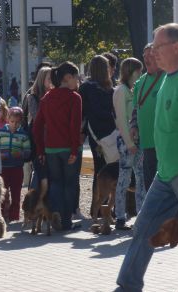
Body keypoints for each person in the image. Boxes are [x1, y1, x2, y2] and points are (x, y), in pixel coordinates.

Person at [94, 23, 178, 292]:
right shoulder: (167, 76)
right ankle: (127, 291)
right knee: (143, 228)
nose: (152, 52)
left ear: (176, 48)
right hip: (166, 173)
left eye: (158, 46)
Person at [33, 61, 82, 231]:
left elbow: (37, 126)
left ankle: (55, 216)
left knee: (55, 183)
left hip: (50, 149)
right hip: (68, 148)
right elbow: (74, 126)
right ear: (67, 78)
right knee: (69, 184)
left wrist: (40, 149)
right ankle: (67, 222)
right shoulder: (75, 98)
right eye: (77, 78)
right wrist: (75, 149)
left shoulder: (46, 98)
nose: (78, 81)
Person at [79, 55, 116, 217]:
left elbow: (83, 113)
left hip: (95, 136)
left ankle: (97, 209)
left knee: (99, 172)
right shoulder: (110, 89)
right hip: (113, 135)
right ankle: (109, 207)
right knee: (113, 171)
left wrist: (83, 133)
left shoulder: (85, 88)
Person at [113, 58, 146, 230]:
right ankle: (119, 215)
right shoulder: (121, 91)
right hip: (128, 142)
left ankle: (140, 213)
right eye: (138, 71)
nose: (140, 74)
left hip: (136, 141)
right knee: (124, 178)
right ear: (131, 71)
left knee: (140, 178)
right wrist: (129, 142)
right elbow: (121, 119)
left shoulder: (130, 90)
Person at [130, 44, 166, 191]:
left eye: (150, 55)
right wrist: (133, 125)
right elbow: (136, 107)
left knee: (166, 185)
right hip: (147, 143)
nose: (146, 59)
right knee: (150, 186)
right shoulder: (141, 81)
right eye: (144, 56)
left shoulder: (168, 77)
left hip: (165, 142)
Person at [0, 107, 31, 221]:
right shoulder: (1, 132)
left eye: (17, 122)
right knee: (2, 193)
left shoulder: (23, 135)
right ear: (8, 119)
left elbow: (27, 152)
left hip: (17, 168)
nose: (14, 124)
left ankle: (14, 217)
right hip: (3, 169)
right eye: (12, 121)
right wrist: (0, 156)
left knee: (16, 193)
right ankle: (0, 216)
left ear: (20, 122)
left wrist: (21, 154)